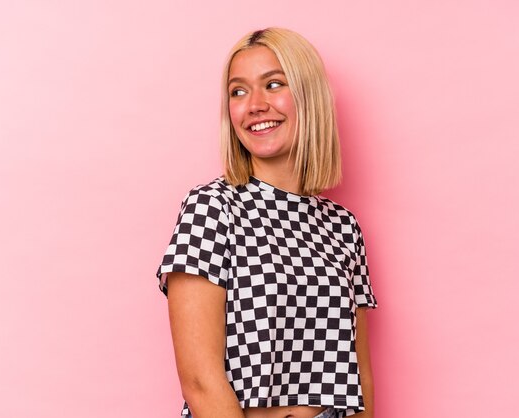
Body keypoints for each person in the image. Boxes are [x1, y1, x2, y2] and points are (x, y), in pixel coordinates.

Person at [156, 27, 377, 418]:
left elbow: (358, 378)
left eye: (273, 84)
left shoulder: (344, 226)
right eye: (238, 91)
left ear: (309, 97)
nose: (254, 105)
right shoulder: (212, 208)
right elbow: (200, 380)